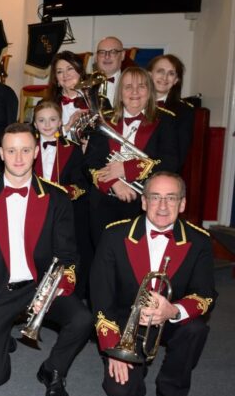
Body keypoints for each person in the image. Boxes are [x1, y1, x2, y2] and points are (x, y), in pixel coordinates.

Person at [0, 123, 93, 396]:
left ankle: (53, 369)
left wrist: (59, 286)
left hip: (39, 285)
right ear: (0, 153)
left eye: (24, 150)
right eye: (11, 151)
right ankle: (2, 335)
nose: (18, 158)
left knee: (82, 319)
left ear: (35, 152)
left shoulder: (57, 198)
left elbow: (68, 255)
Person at [90, 172, 216, 396]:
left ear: (182, 204)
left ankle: (172, 390)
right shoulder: (115, 235)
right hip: (126, 322)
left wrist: (172, 310)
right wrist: (113, 349)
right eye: (155, 197)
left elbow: (206, 295)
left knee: (196, 328)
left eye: (171, 198)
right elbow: (100, 295)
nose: (162, 206)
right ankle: (137, 362)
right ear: (144, 201)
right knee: (121, 393)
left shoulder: (198, 241)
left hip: (170, 319)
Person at [85, 67, 179, 243]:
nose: (134, 91)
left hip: (145, 204)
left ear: (149, 91)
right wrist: (114, 184)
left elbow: (170, 162)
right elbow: (91, 161)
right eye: (128, 86)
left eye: (141, 86)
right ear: (120, 94)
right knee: (104, 257)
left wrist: (125, 169)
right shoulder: (103, 120)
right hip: (103, 202)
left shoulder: (166, 121)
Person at [31, 101, 93, 299]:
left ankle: (61, 295)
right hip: (31, 210)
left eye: (52, 120)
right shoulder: (27, 147)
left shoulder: (72, 149)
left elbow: (82, 183)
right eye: (41, 120)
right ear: (34, 123)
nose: (47, 125)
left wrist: (59, 194)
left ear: (60, 122)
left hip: (62, 212)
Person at [148, 55, 196, 172]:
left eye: (171, 73)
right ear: (149, 75)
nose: (165, 77)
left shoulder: (184, 111)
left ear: (176, 80)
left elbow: (178, 157)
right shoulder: (133, 102)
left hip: (161, 176)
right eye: (160, 71)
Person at [46, 51, 95, 143]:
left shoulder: (95, 101)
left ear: (80, 71)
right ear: (56, 78)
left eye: (70, 69)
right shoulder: (46, 105)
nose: (65, 75)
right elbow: (43, 138)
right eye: (60, 71)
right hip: (59, 155)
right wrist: (67, 127)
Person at [93, 37, 125, 104]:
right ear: (96, 57)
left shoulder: (131, 85)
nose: (107, 56)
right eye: (102, 52)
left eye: (113, 52)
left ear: (122, 55)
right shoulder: (86, 86)